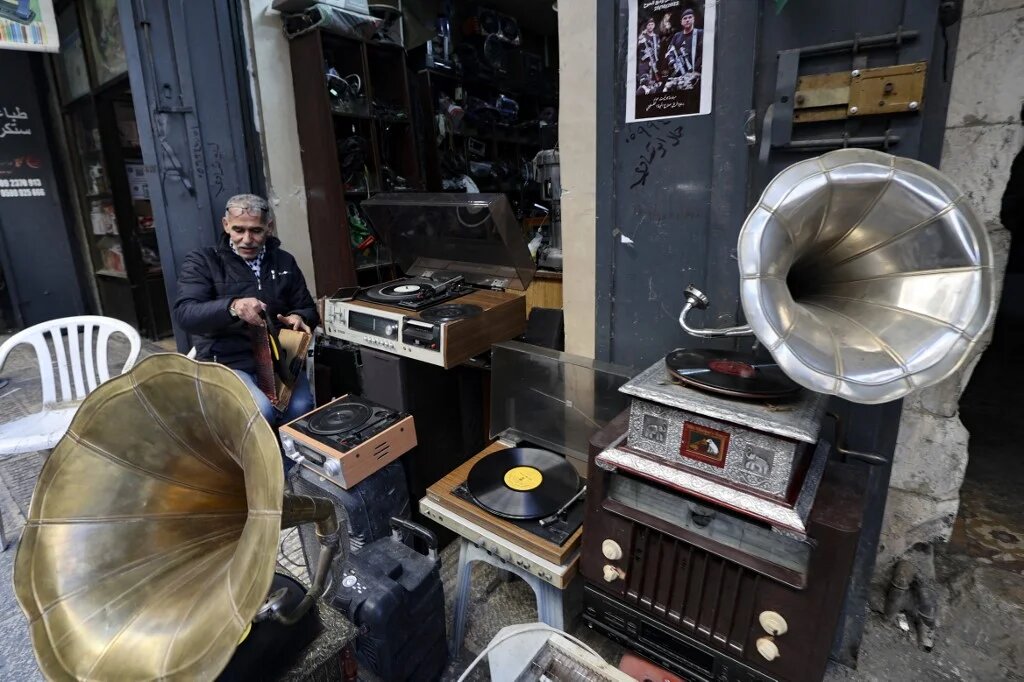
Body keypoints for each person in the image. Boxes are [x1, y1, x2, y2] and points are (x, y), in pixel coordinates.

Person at [173, 193, 318, 426]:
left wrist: (299, 317)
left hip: (277, 361)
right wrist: (232, 307)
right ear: (226, 225)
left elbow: (308, 308)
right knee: (261, 411)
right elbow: (186, 314)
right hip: (226, 361)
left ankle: (291, 462)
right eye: (239, 230)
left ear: (268, 227)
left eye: (256, 230)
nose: (247, 239)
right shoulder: (203, 261)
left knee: (301, 408)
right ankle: (259, 462)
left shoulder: (284, 262)